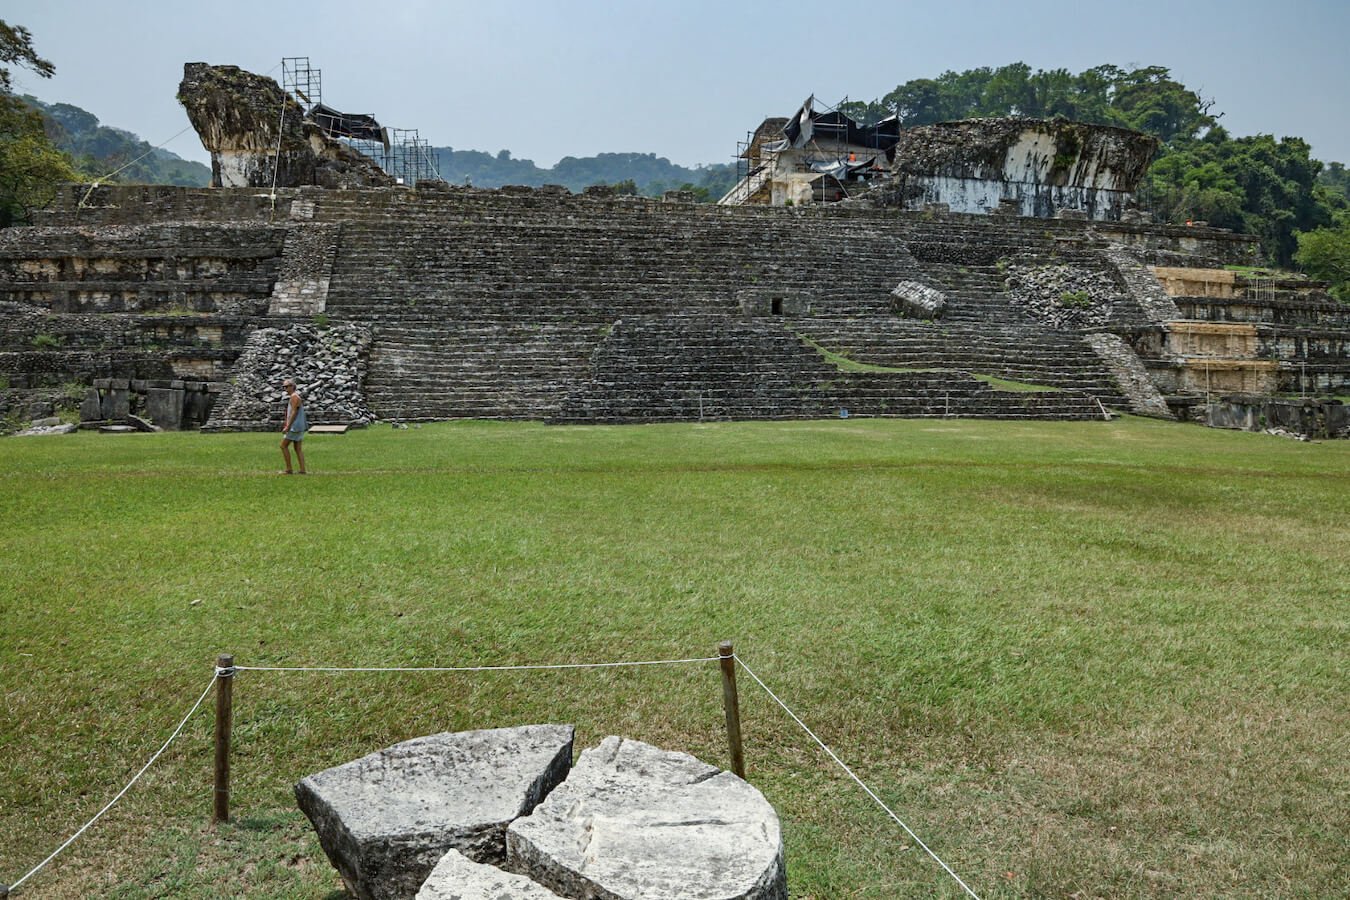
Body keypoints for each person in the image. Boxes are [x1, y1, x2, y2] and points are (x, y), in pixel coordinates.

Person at [279, 378, 309, 474]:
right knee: (297, 448)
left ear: (292, 386)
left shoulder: (294, 397)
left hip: (295, 426)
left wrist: (288, 426)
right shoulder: (294, 397)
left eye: (287, 386)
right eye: (284, 387)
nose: (285, 388)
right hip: (299, 426)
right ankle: (302, 469)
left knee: (283, 446)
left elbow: (294, 413)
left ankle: (289, 469)